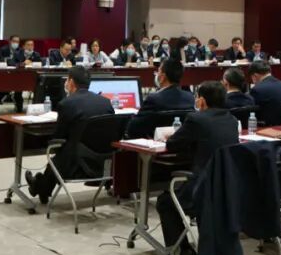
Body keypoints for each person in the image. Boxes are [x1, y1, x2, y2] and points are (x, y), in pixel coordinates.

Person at [155, 81, 239, 255]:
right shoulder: (232, 120)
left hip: (203, 188)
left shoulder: (196, 119)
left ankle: (183, 253)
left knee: (165, 202)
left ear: (202, 100)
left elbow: (173, 144)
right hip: (227, 187)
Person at [25, 66, 115, 204]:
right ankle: (39, 185)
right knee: (65, 154)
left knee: (59, 156)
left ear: (71, 82)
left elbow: (58, 136)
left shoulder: (67, 103)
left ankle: (39, 186)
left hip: (77, 166)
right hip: (103, 163)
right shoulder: (105, 102)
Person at [127, 58, 195, 138]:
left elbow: (132, 129)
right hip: (180, 143)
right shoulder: (189, 98)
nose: (156, 74)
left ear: (163, 77)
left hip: (154, 142)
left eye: (158, 71)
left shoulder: (154, 99)